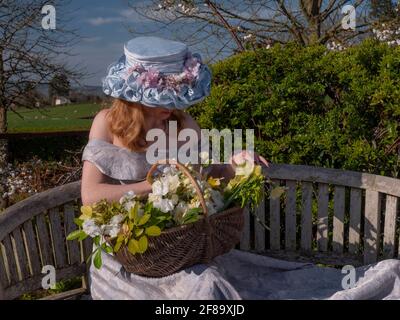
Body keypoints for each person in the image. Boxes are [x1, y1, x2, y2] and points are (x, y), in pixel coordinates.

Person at [81, 36, 400, 300]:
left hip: (181, 248)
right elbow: (91, 196)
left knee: (209, 285)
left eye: (179, 97)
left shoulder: (183, 123)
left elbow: (205, 175)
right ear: (137, 96)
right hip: (127, 260)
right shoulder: (106, 124)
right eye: (166, 98)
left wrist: (236, 165)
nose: (174, 106)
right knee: (202, 289)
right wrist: (156, 187)